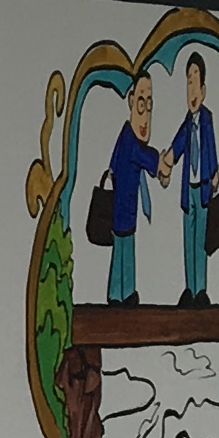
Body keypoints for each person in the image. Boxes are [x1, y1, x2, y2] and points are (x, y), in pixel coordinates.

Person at [95, 70, 170, 307]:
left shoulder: (125, 136)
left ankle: (121, 293)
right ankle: (121, 293)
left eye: (149, 105)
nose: (145, 114)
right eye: (140, 103)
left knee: (123, 250)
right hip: (123, 209)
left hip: (124, 208)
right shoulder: (129, 140)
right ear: (130, 101)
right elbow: (142, 156)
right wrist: (160, 162)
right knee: (124, 251)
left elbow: (115, 163)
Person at [167, 49, 219, 307]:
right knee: (188, 241)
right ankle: (189, 289)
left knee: (201, 241)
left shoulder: (207, 119)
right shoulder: (187, 123)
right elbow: (177, 145)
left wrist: (215, 173)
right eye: (188, 83)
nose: (191, 90)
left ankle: (200, 289)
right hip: (187, 189)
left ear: (204, 90)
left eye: (195, 82)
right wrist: (167, 159)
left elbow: (210, 147)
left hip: (203, 188)